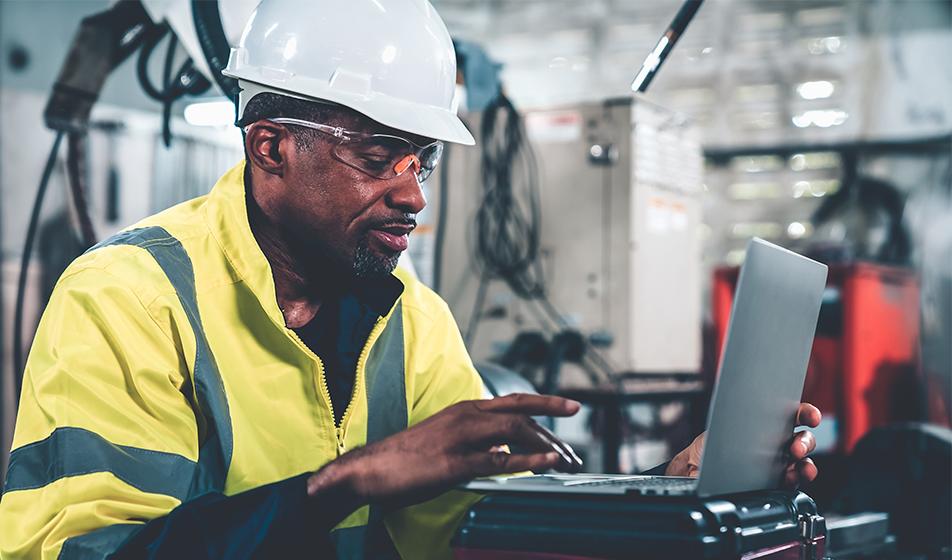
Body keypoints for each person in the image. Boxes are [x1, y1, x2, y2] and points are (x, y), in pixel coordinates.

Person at [0, 1, 820, 558]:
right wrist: (347, 482)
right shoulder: (129, 296)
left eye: (420, 160)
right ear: (270, 148)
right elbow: (91, 550)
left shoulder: (411, 318)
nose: (414, 193)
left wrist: (660, 495)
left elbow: (484, 524)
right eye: (374, 156)